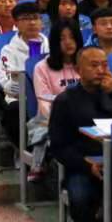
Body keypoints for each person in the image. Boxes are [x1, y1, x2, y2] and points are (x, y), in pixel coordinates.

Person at [49, 46, 112, 222]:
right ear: (78, 70)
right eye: (94, 65)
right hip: (83, 164)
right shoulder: (65, 101)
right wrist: (87, 166)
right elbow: (59, 146)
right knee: (80, 199)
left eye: (104, 65)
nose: (101, 70)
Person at [0, 0, 49, 147]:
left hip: (49, 97)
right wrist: (16, 80)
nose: (32, 23)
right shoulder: (8, 51)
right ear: (16, 23)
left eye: (35, 18)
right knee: (14, 111)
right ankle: (26, 150)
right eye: (26, 19)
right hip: (21, 98)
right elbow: (7, 85)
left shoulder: (51, 46)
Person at [31, 19, 83, 159]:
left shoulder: (86, 64)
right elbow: (44, 103)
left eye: (72, 37)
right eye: (62, 38)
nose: (68, 42)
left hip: (86, 118)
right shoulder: (42, 68)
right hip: (55, 120)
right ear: (54, 42)